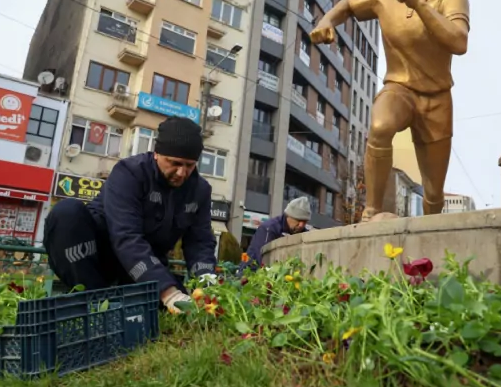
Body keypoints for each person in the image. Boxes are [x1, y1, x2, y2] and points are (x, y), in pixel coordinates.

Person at [310, 0, 469, 221]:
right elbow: (347, 4)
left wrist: (418, 3)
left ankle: (432, 231)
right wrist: (326, 20)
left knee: (434, 193)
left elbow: (458, 42)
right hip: (399, 88)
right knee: (381, 126)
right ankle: (371, 211)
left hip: (437, 99)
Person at [43, 117, 218, 313]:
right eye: (175, 163)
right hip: (99, 254)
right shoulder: (129, 173)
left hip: (144, 265)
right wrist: (168, 293)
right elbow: (125, 235)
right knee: (66, 213)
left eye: (190, 165)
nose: (181, 172)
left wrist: (207, 286)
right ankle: (94, 301)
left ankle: (135, 299)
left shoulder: (200, 190)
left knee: (175, 304)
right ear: (157, 154)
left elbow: (200, 241)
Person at [241, 197, 311, 270]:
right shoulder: (269, 229)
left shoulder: (303, 232)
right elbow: (263, 257)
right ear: (288, 216)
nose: (301, 225)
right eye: (298, 220)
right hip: (251, 272)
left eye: (305, 222)